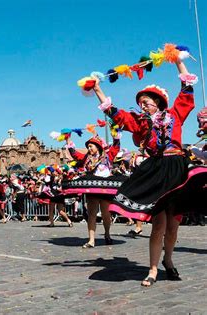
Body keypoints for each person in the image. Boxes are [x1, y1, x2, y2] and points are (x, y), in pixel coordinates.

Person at [92, 59, 207, 287]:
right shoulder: (142, 123)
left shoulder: (175, 114)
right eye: (141, 103)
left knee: (173, 225)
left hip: (177, 169)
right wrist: (97, 89)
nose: (143, 106)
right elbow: (117, 115)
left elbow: (187, 89)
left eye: (146, 102)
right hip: (156, 170)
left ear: (157, 102)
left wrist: (177, 61)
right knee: (159, 224)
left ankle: (169, 260)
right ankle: (153, 269)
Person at [63, 134, 122, 248]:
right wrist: (68, 139)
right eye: (88, 147)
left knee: (106, 214)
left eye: (91, 146)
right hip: (92, 188)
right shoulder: (86, 158)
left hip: (105, 189)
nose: (89, 149)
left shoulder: (108, 156)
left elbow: (116, 147)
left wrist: (115, 134)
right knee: (91, 214)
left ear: (97, 146)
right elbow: (75, 155)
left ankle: (107, 234)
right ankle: (91, 240)